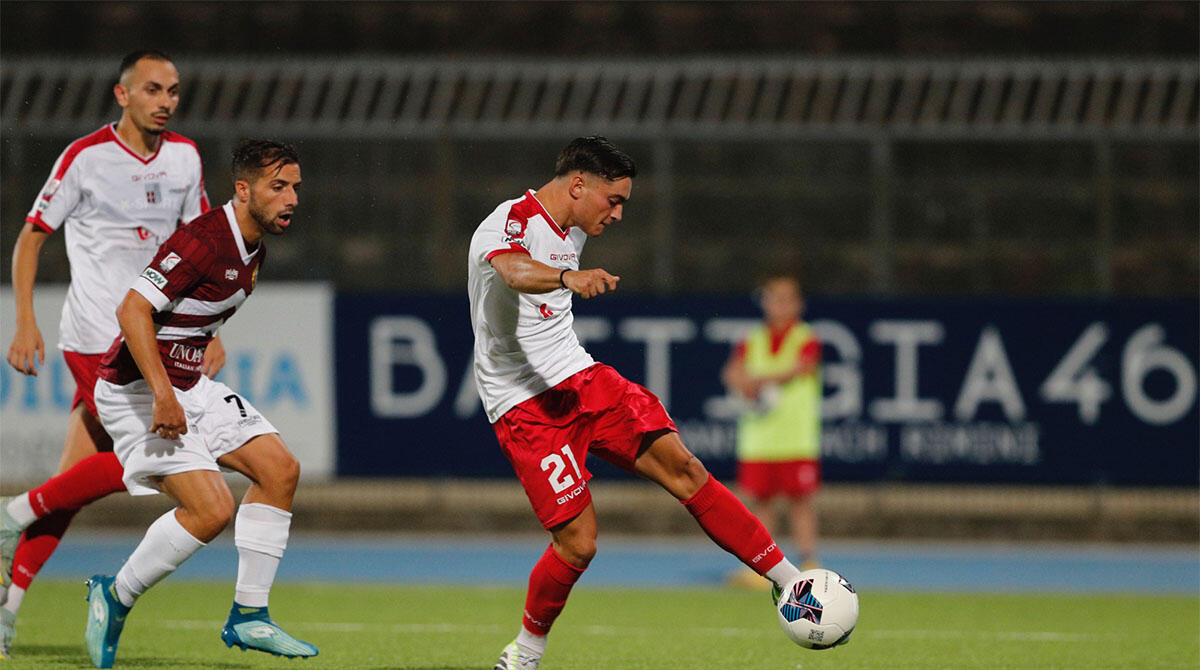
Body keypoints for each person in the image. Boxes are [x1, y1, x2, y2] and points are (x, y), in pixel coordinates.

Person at [468, 136, 805, 670]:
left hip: (581, 379)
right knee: (579, 544)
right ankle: (525, 651)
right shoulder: (510, 221)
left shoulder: (574, 225)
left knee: (686, 469)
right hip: (524, 403)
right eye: (614, 200)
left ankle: (793, 585)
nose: (619, 214)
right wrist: (568, 277)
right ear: (578, 185)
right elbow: (511, 270)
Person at [0, 49, 217, 660]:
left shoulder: (184, 157)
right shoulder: (85, 158)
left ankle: (7, 605)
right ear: (122, 95)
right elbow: (31, 239)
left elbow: (200, 244)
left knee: (73, 486)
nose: (166, 101)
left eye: (173, 90)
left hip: (151, 338)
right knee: (144, 458)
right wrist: (24, 321)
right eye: (153, 89)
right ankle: (15, 510)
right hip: (96, 337)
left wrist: (210, 329)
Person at [82, 139, 316, 668]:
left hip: (188, 383)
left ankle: (249, 614)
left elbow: (190, 309)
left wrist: (207, 337)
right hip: (137, 390)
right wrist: (163, 395)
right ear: (243, 190)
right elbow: (133, 309)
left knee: (280, 470)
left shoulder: (255, 249)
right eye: (278, 187)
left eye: (295, 188)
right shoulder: (204, 240)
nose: (292, 199)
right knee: (212, 510)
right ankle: (116, 595)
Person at [722, 274, 823, 588]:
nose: (779, 305)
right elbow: (732, 372)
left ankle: (808, 561)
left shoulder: (805, 337)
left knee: (800, 502)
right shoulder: (752, 339)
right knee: (761, 504)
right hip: (760, 439)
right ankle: (762, 567)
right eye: (773, 298)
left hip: (795, 438)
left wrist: (759, 380)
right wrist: (742, 383)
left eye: (785, 299)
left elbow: (802, 367)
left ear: (798, 304)